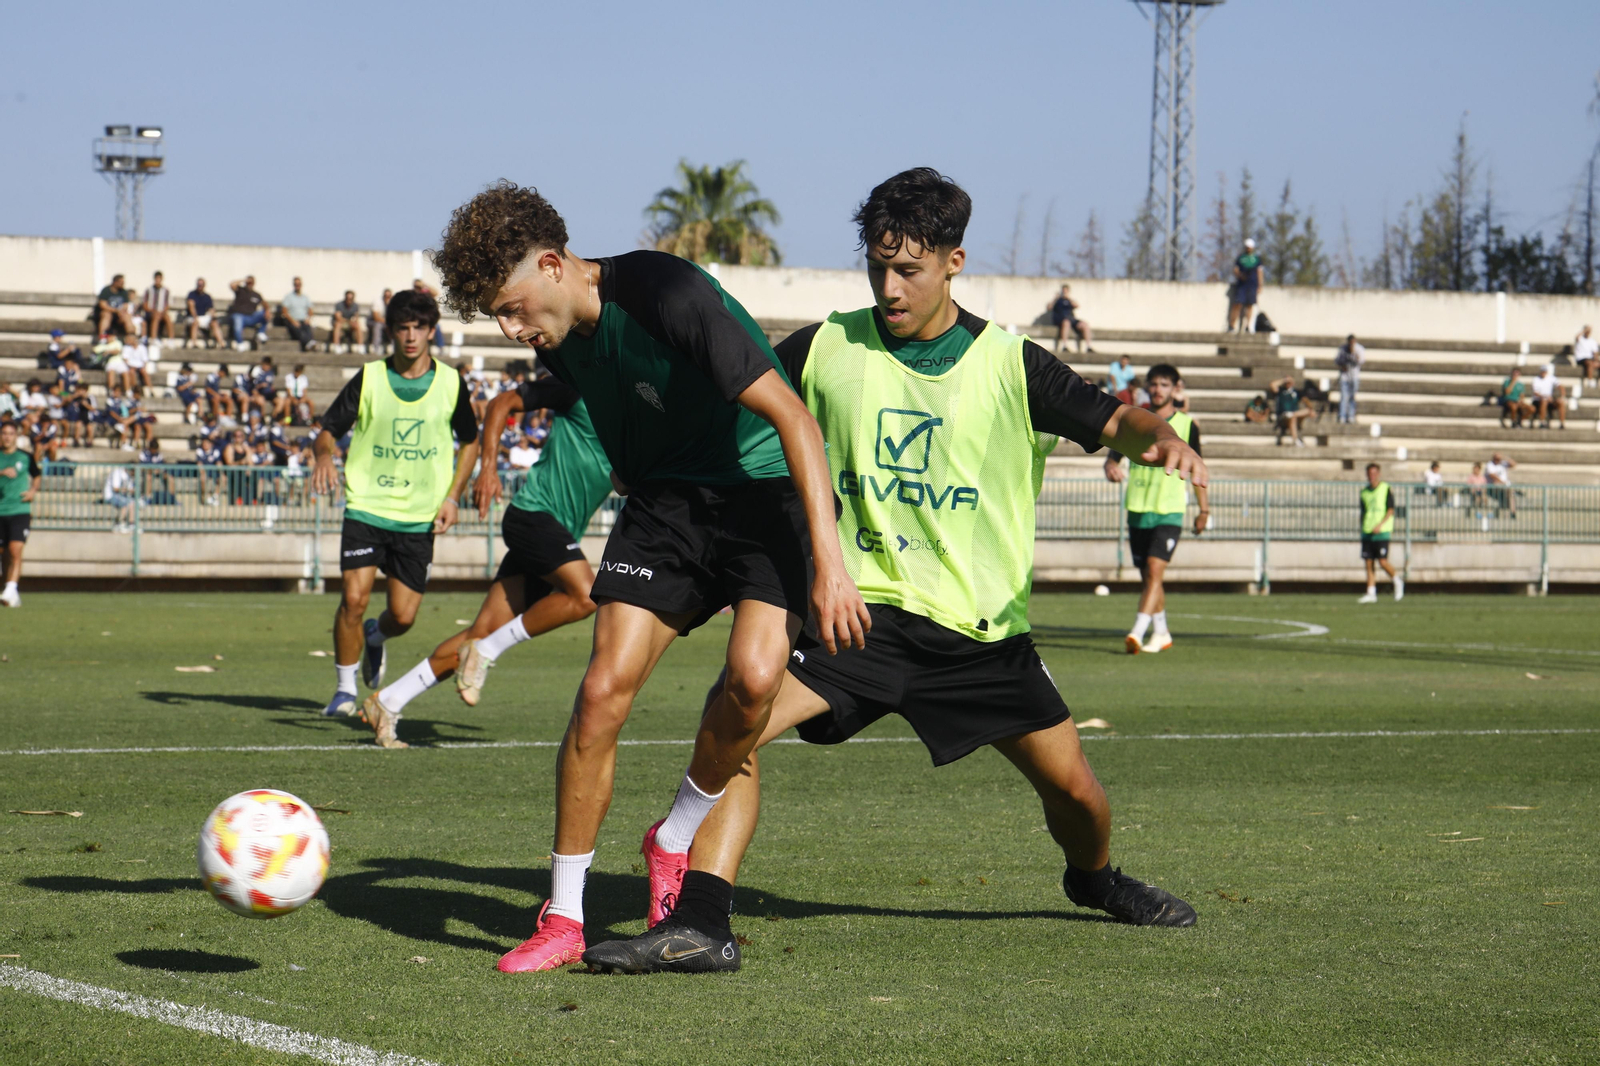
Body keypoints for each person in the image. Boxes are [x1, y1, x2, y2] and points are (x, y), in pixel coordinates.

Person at [581, 167, 1203, 976]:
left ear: (954, 261)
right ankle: (705, 921)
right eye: (877, 266)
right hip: (859, 619)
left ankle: (1094, 879)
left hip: (981, 639)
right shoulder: (830, 344)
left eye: (908, 268)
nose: (889, 286)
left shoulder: (1012, 364)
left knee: (1079, 798)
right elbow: (735, 395)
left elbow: (1116, 418)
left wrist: (1162, 439)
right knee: (736, 714)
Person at [431, 179, 869, 973]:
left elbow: (795, 419)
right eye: (497, 315)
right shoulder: (560, 337)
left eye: (513, 306)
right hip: (670, 508)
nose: (509, 327)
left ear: (555, 265)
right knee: (601, 693)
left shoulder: (667, 292)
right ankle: (563, 917)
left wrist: (831, 567)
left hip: (765, 492)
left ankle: (672, 839)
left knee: (753, 681)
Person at [358, 373, 614, 745]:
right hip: (534, 517)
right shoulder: (581, 385)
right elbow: (501, 403)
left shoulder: (633, 425)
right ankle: (487, 651)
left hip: (555, 534)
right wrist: (489, 467)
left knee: (479, 632)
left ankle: (389, 701)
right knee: (585, 595)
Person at [310, 289, 481, 723]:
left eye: (418, 327)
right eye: (402, 328)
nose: (410, 336)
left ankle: (376, 636)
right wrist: (324, 454)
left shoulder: (450, 382)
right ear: (391, 331)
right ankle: (344, 689)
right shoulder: (368, 378)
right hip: (366, 506)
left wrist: (453, 497)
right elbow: (328, 430)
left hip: (419, 516)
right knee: (353, 598)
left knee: (403, 617)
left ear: (430, 331)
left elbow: (471, 442)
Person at [1104, 364, 1207, 654]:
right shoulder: (1137, 420)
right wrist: (1110, 467)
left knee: (1153, 569)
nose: (1157, 389)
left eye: (1164, 384)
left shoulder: (1187, 425)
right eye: (1154, 384)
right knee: (1150, 577)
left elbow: (1197, 468)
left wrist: (1204, 511)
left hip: (1169, 510)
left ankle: (1136, 632)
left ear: (1176, 388)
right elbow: (1113, 457)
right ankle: (1161, 631)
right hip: (1138, 508)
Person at [0, 420, 42, 608]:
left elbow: (37, 474)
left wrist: (33, 490)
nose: (7, 437)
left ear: (16, 436)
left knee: (16, 549)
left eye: (10, 433)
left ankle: (10, 589)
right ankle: (11, 591)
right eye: (4, 433)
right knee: (3, 553)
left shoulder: (25, 456)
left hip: (20, 510)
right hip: (1, 511)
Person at [1357, 462, 1401, 603]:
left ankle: (1397, 581)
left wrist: (1380, 525)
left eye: (1374, 473)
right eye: (1370, 474)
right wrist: (1363, 527)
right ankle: (1371, 593)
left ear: (1379, 474)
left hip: (1382, 532)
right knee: (1369, 563)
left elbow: (1391, 509)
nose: (1372, 476)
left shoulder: (1385, 488)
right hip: (1367, 531)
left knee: (1382, 562)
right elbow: (1363, 512)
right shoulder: (1364, 492)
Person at [1046, 283, 1092, 354]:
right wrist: (1055, 298)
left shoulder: (1070, 300)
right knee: (1066, 322)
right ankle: (1064, 346)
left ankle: (1088, 347)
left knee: (1084, 325)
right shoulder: (1058, 301)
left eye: (1066, 291)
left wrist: (1069, 298)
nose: (1064, 292)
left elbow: (1077, 305)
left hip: (1071, 319)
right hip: (1061, 320)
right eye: (1063, 291)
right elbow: (1049, 308)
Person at [1229, 239, 1262, 333]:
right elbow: (1235, 270)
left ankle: (1248, 326)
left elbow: (1260, 272)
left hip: (1252, 285)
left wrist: (1260, 285)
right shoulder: (1240, 258)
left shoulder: (1256, 259)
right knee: (1237, 304)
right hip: (1242, 285)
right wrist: (1240, 275)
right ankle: (1232, 326)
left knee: (1249, 305)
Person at [95, 274, 140, 341]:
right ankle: (102, 338)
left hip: (119, 315)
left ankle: (131, 339)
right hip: (108, 312)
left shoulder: (123, 292)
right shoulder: (106, 290)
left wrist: (120, 311)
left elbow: (125, 305)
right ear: (115, 282)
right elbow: (102, 305)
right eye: (121, 282)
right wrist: (115, 310)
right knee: (106, 315)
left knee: (127, 317)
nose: (123, 284)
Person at [228, 277, 269, 350]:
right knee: (237, 320)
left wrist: (267, 310)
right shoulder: (240, 290)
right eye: (248, 282)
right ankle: (239, 343)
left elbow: (264, 304)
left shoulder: (256, 294)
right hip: (239, 316)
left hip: (251, 317)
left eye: (251, 282)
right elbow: (232, 285)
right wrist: (244, 280)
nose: (250, 284)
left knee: (264, 313)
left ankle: (261, 332)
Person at [185, 278, 226, 349]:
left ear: (204, 286)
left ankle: (221, 344)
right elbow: (191, 307)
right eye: (199, 284)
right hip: (192, 317)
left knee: (214, 323)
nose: (200, 286)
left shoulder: (207, 296)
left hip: (203, 317)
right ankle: (194, 344)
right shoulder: (192, 294)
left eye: (201, 285)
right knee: (195, 322)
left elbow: (211, 308)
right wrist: (195, 317)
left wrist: (213, 316)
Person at [279, 277, 316, 353]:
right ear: (293, 285)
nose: (297, 286)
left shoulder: (305, 297)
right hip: (293, 320)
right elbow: (284, 311)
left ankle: (309, 343)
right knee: (298, 329)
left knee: (307, 326)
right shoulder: (289, 297)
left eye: (298, 284)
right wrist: (293, 321)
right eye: (296, 284)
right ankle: (309, 342)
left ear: (301, 285)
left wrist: (308, 319)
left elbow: (311, 310)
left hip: (303, 320)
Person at [1271, 376, 1309, 446]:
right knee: (1292, 418)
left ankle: (1294, 416)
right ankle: (1295, 439)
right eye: (1287, 382)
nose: (1288, 384)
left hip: (1294, 413)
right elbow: (1273, 385)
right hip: (1283, 415)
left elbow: (1305, 400)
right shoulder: (1281, 391)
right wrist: (1284, 380)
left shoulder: (1296, 392)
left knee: (1304, 412)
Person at [1334, 334, 1364, 424]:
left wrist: (1354, 353)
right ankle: (1342, 416)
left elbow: (1361, 361)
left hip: (1354, 376)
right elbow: (1337, 360)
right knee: (1344, 397)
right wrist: (1342, 364)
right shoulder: (1342, 349)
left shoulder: (1359, 349)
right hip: (1344, 377)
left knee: (1352, 397)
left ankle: (1351, 415)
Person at [103, 463, 137, 533]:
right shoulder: (117, 473)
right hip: (110, 496)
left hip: (120, 496)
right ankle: (118, 524)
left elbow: (130, 489)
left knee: (132, 502)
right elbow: (116, 488)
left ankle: (132, 525)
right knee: (126, 503)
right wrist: (129, 490)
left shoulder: (129, 476)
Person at [1529, 365, 1565, 429]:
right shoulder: (1536, 379)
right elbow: (1536, 393)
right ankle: (1542, 422)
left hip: (1549, 399)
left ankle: (1562, 423)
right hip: (1538, 400)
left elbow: (1560, 387)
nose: (1543, 373)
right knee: (1544, 401)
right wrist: (1546, 397)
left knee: (1561, 403)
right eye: (1542, 371)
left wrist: (1562, 396)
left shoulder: (1551, 378)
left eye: (1545, 372)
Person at [141, 271, 173, 343]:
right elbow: (145, 304)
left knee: (168, 318)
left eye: (159, 278)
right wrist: (152, 311)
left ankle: (171, 340)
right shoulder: (149, 290)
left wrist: (162, 312)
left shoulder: (166, 290)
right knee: (156, 316)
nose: (158, 280)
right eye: (156, 278)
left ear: (162, 279)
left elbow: (168, 305)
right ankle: (153, 339)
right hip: (151, 312)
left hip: (162, 312)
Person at [1485, 452, 1516, 518]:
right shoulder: (1490, 465)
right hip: (1495, 486)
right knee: (1497, 484)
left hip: (1505, 486)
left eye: (1499, 459)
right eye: (1496, 458)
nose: (1497, 460)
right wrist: (1502, 482)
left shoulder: (1503, 463)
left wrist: (1506, 458)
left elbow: (1514, 464)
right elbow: (1492, 475)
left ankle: (1513, 512)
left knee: (1511, 494)